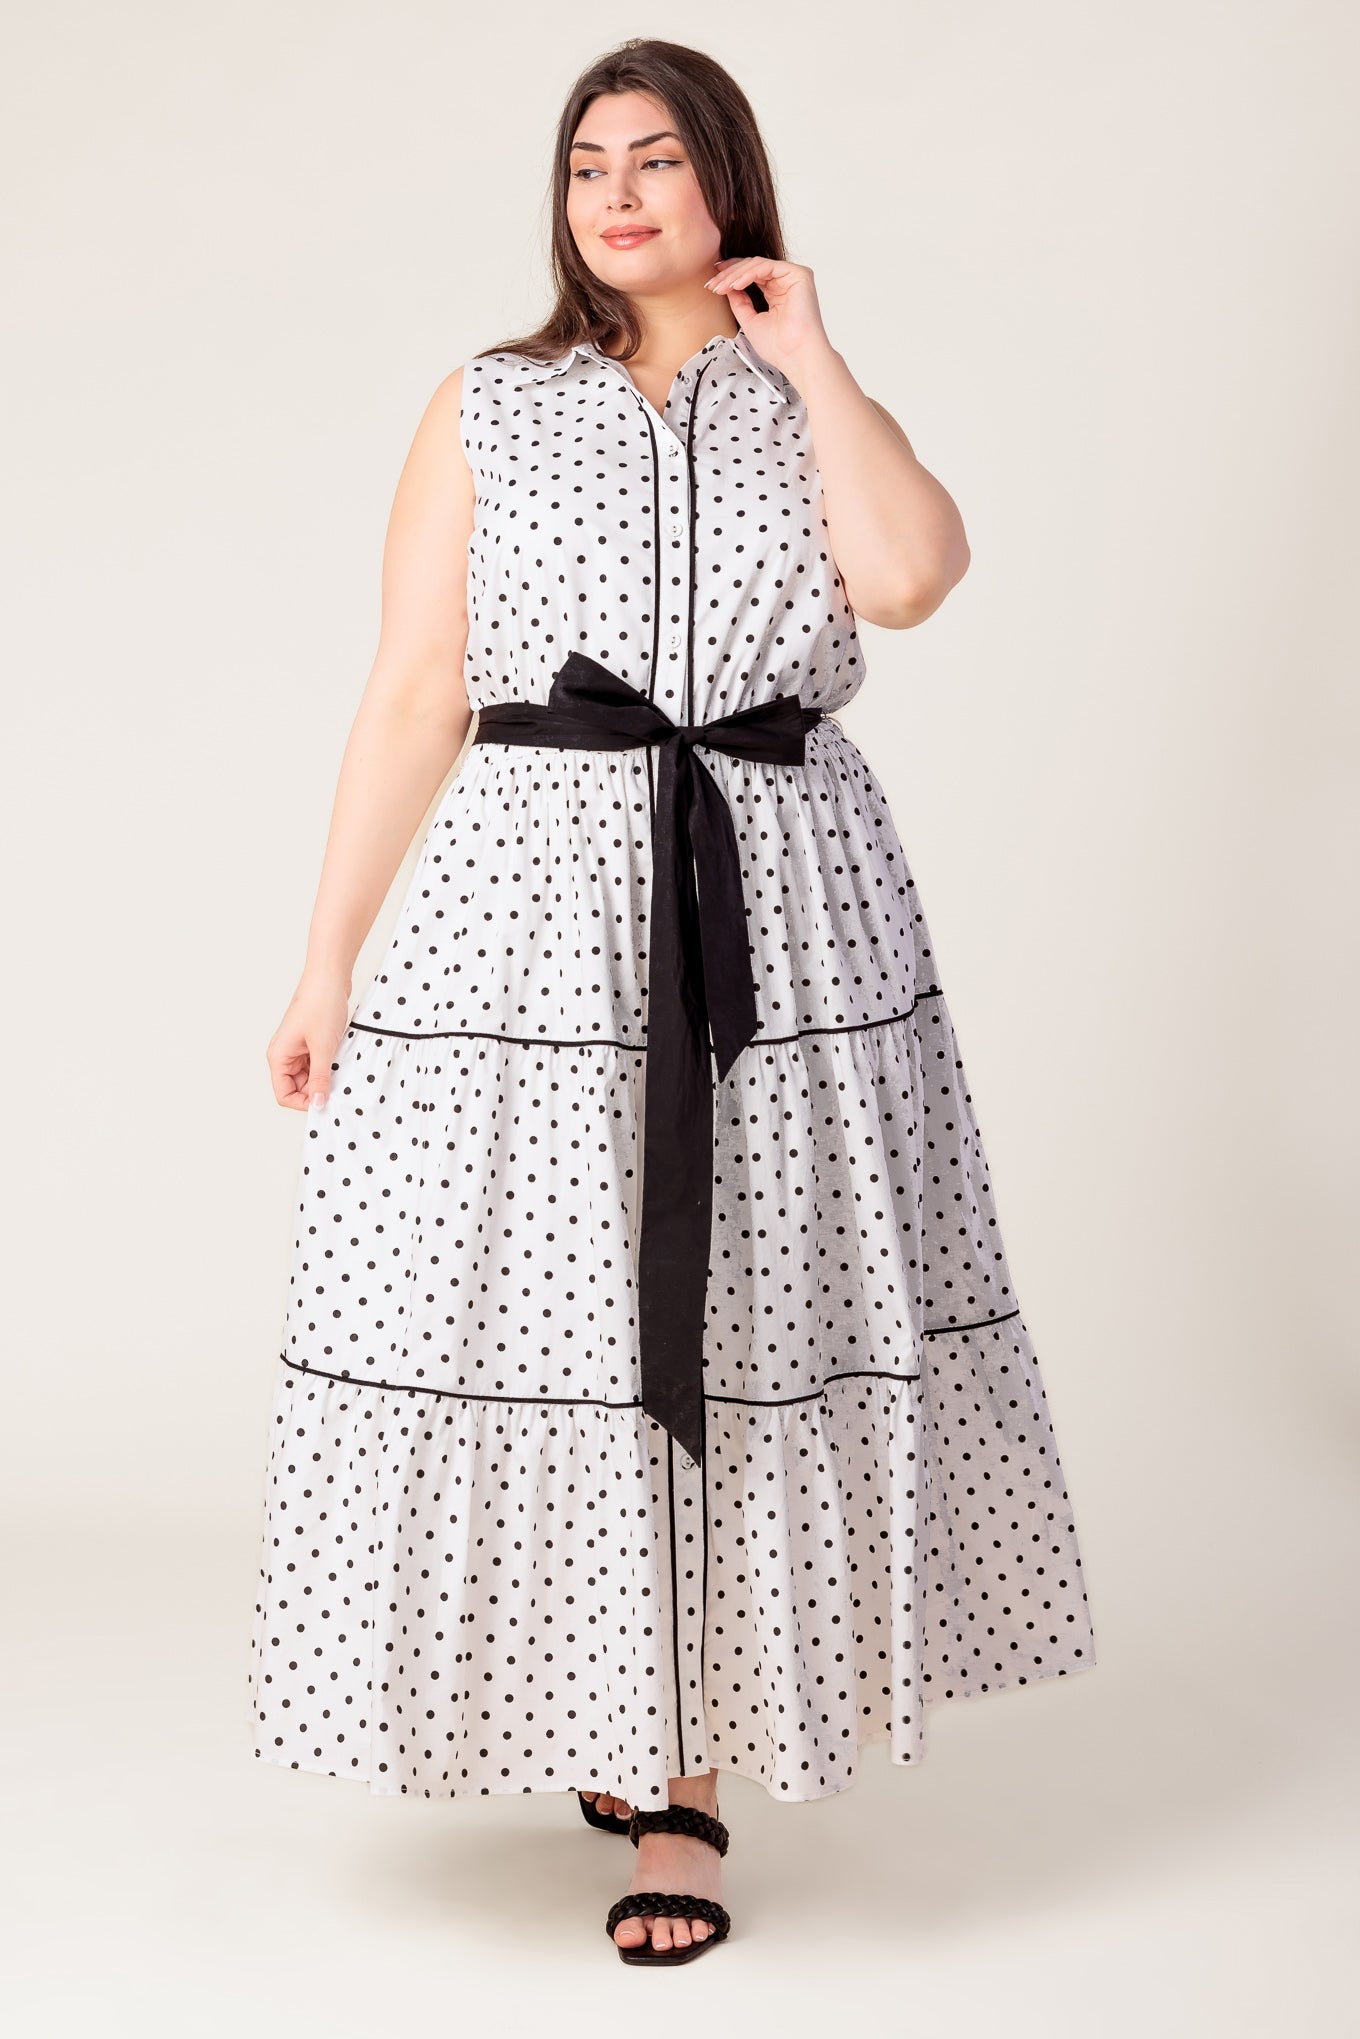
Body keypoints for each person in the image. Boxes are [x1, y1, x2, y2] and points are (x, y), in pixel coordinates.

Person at [251, 37, 1097, 1969]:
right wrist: (326, 959)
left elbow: (911, 577)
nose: (616, 196)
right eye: (584, 167)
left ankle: (691, 1781)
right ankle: (607, 1713)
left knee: (747, 1312)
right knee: (555, 1313)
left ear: (726, 182)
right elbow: (410, 694)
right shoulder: (488, 402)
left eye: (654, 161)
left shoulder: (806, 400)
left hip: (783, 916)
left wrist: (812, 358)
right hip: (534, 916)